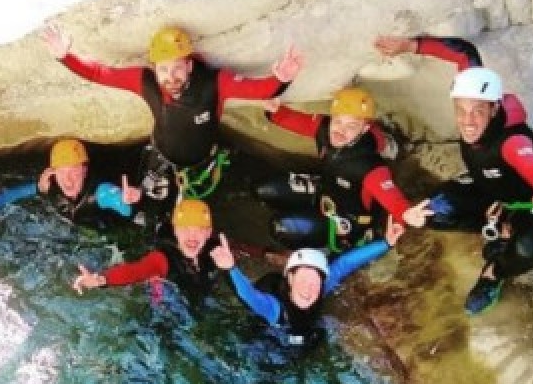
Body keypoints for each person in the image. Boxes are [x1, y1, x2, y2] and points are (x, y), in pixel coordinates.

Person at [373, 35, 533, 314]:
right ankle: (495, 227)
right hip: (490, 190)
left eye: (478, 112)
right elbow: (464, 53)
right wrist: (409, 46)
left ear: (494, 108)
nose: (468, 121)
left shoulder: (511, 141)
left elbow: (526, 158)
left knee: (526, 249)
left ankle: (493, 272)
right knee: (430, 213)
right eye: (461, 110)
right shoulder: (476, 90)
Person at [43, 23, 304, 236]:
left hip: (201, 163)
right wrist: (65, 57)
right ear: (155, 69)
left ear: (189, 66)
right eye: (164, 70)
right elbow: (101, 74)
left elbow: (257, 90)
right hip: (160, 159)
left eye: (178, 68)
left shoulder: (213, 84)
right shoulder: (146, 82)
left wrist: (281, 79)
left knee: (197, 216)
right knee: (148, 214)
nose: (171, 77)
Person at [255, 86, 432, 252]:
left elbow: (391, 197)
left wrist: (405, 214)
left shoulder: (369, 166)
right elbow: (289, 119)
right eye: (338, 121)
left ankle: (324, 247)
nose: (340, 130)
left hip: (346, 217)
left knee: (281, 227)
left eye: (351, 126)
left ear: (364, 129)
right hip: (325, 189)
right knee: (263, 189)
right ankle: (304, 215)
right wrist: (273, 110)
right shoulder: (324, 128)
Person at [210, 220, 404, 347]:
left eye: (314, 281)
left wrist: (386, 243)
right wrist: (230, 268)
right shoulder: (274, 309)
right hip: (266, 341)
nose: (309, 287)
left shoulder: (320, 288)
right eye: (303, 279)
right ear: (290, 279)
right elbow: (249, 296)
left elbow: (345, 263)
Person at [71, 198, 223, 302]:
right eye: (185, 229)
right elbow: (136, 271)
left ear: (208, 233)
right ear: (176, 230)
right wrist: (102, 280)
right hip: (168, 311)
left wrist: (231, 266)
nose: (192, 237)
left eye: (199, 230)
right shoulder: (163, 258)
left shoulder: (218, 251)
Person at [0, 137, 135, 225]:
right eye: (62, 172)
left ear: (85, 171)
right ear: (52, 172)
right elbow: (1, 199)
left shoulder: (101, 193)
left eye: (74, 171)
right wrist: (37, 189)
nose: (68, 180)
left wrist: (129, 201)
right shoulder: (48, 185)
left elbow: (126, 208)